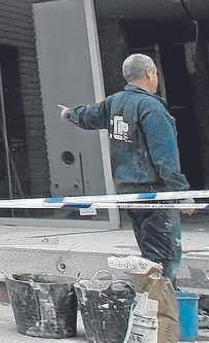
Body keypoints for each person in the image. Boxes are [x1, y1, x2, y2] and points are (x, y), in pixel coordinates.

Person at [60, 53, 192, 280]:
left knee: (149, 253)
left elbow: (90, 115)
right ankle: (160, 299)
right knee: (165, 258)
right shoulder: (151, 107)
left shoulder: (115, 103)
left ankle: (151, 296)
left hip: (129, 192)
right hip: (155, 194)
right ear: (150, 73)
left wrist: (69, 113)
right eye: (156, 73)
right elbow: (164, 155)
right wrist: (181, 193)